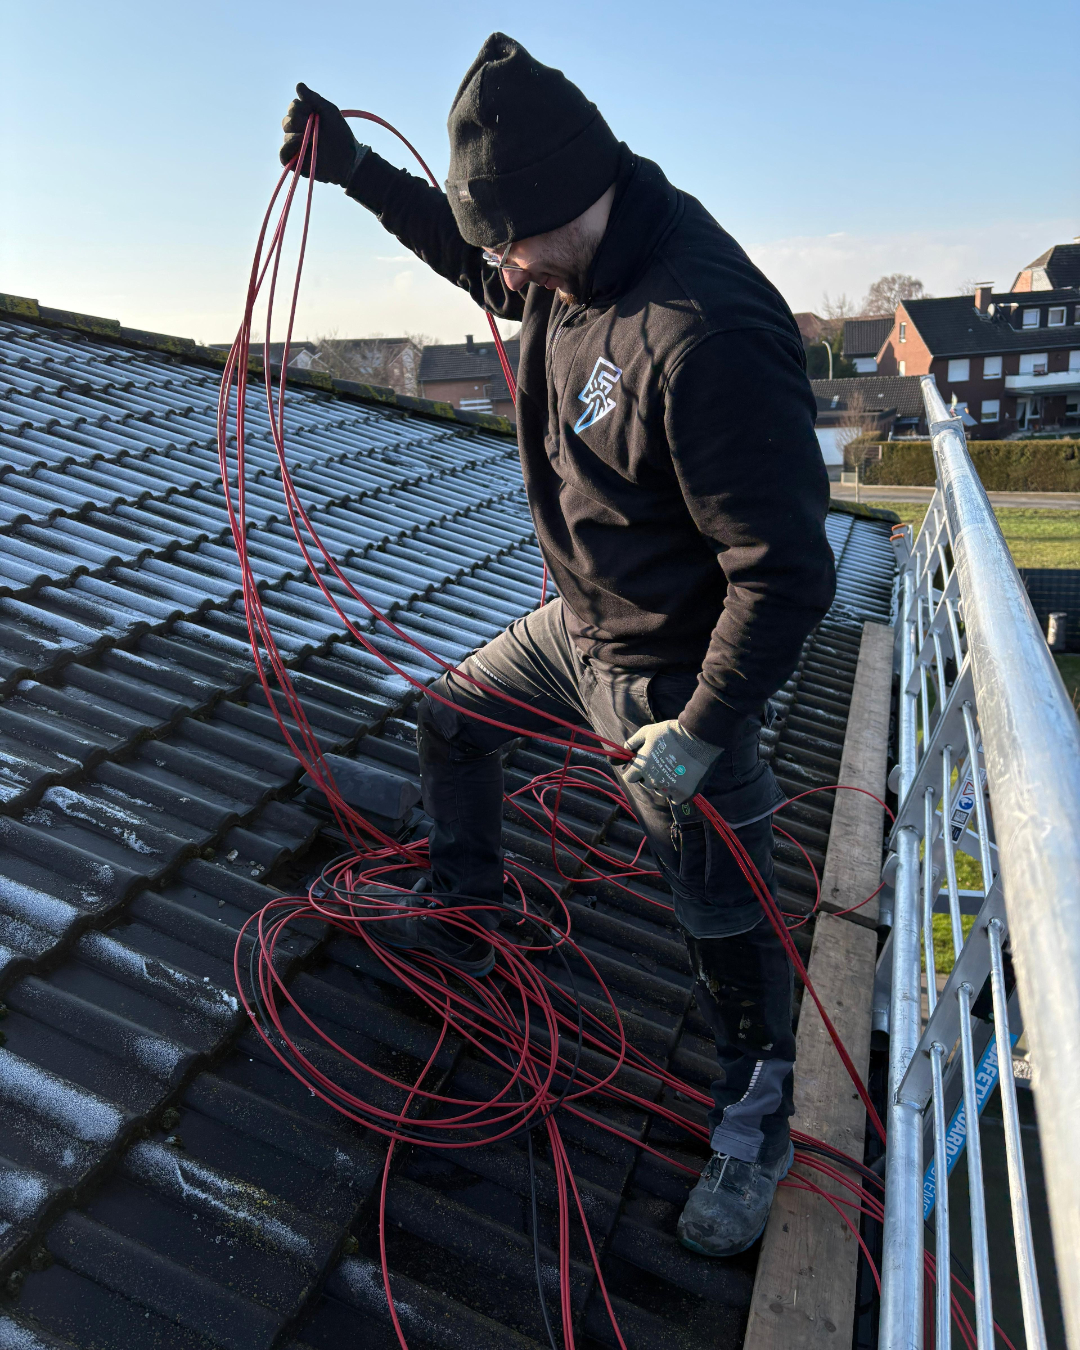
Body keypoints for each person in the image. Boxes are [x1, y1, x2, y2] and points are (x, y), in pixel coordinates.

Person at [279, 33, 835, 1257]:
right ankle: (467, 899)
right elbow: (468, 250)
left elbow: (789, 573)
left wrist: (696, 737)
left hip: (676, 682)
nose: (503, 274)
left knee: (719, 913)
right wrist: (356, 171)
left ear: (556, 207)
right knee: (451, 722)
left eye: (511, 247)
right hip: (572, 626)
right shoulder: (567, 254)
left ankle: (754, 1119)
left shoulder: (704, 332)